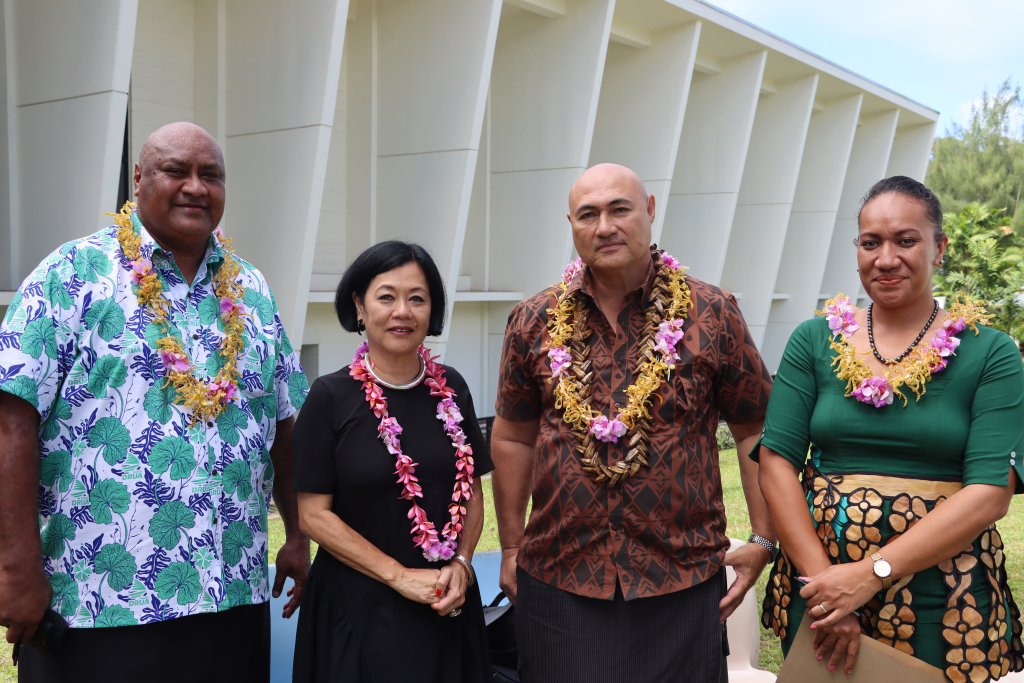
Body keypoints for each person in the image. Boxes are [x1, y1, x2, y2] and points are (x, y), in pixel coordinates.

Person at [0, 122, 310, 681]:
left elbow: (285, 424)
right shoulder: (72, 273)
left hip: (232, 598)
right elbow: (11, 418)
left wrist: (297, 534)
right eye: (176, 170)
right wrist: (16, 569)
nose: (196, 187)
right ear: (139, 178)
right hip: (103, 602)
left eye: (211, 175)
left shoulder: (253, 290)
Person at [491, 163, 776, 683]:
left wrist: (763, 538)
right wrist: (510, 547)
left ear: (649, 210)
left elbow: (756, 428)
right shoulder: (533, 319)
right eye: (588, 214)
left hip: (681, 578)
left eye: (619, 209)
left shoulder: (712, 312)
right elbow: (513, 437)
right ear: (572, 225)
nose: (605, 227)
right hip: (561, 578)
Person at [756, 176, 1024, 681]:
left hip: (941, 599)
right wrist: (828, 590)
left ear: (939, 248)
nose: (885, 258)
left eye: (906, 240)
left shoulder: (989, 352)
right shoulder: (814, 340)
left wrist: (870, 575)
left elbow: (991, 491)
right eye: (870, 243)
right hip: (820, 591)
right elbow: (776, 463)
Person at [291, 240, 494, 683]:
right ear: (359, 307)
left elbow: (472, 491)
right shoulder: (329, 397)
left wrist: (462, 564)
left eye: (417, 298)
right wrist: (400, 577)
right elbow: (313, 516)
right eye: (386, 297)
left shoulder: (452, 388)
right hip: (358, 610)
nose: (402, 311)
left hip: (446, 602)